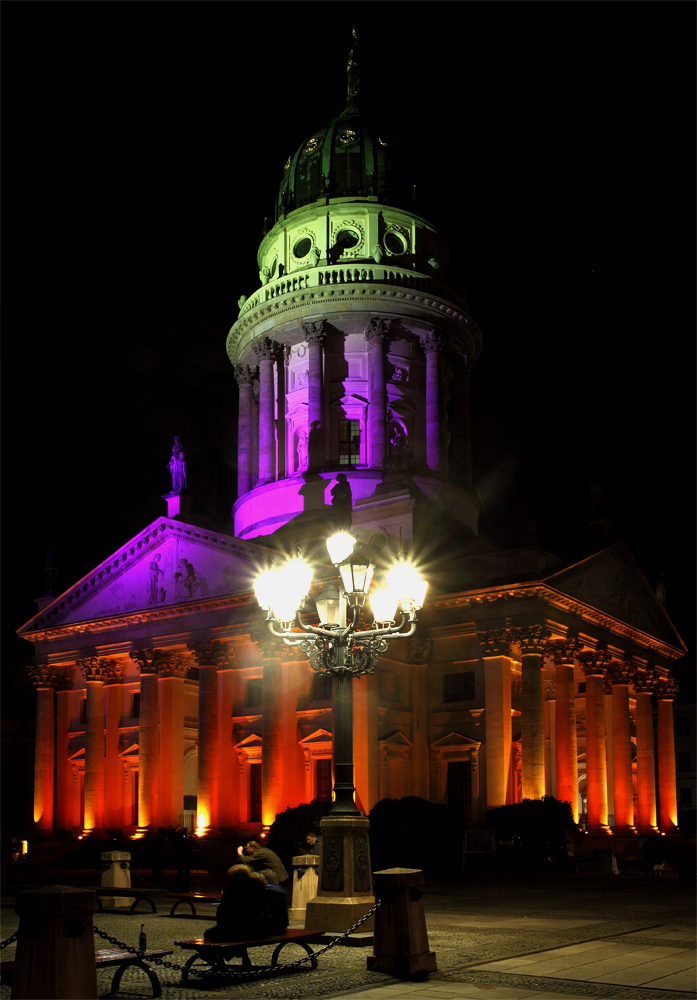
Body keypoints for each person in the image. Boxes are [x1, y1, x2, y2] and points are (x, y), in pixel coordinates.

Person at [204, 865, 271, 942]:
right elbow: (265, 909)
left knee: (208, 932)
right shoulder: (257, 888)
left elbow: (223, 911)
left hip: (237, 928)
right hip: (256, 927)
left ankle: (219, 953)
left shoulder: (233, 889)